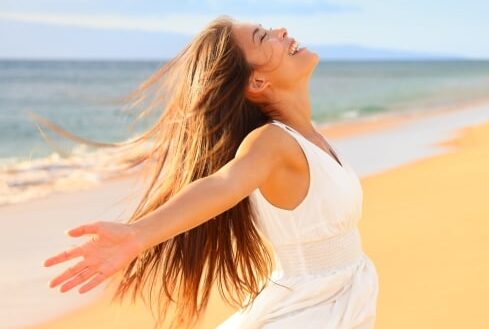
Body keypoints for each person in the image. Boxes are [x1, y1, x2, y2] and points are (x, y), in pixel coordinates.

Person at [41, 15, 379, 329]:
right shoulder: (272, 142)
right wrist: (139, 234)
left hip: (338, 297)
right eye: (265, 37)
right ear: (258, 81)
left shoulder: (309, 137)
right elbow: (224, 183)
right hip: (308, 312)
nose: (282, 32)